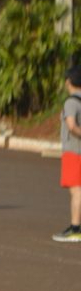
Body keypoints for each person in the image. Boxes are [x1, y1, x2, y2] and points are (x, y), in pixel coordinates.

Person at [53, 65, 81, 242]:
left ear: (69, 81)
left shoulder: (71, 102)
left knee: (76, 191)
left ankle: (75, 228)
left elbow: (71, 126)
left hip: (74, 151)